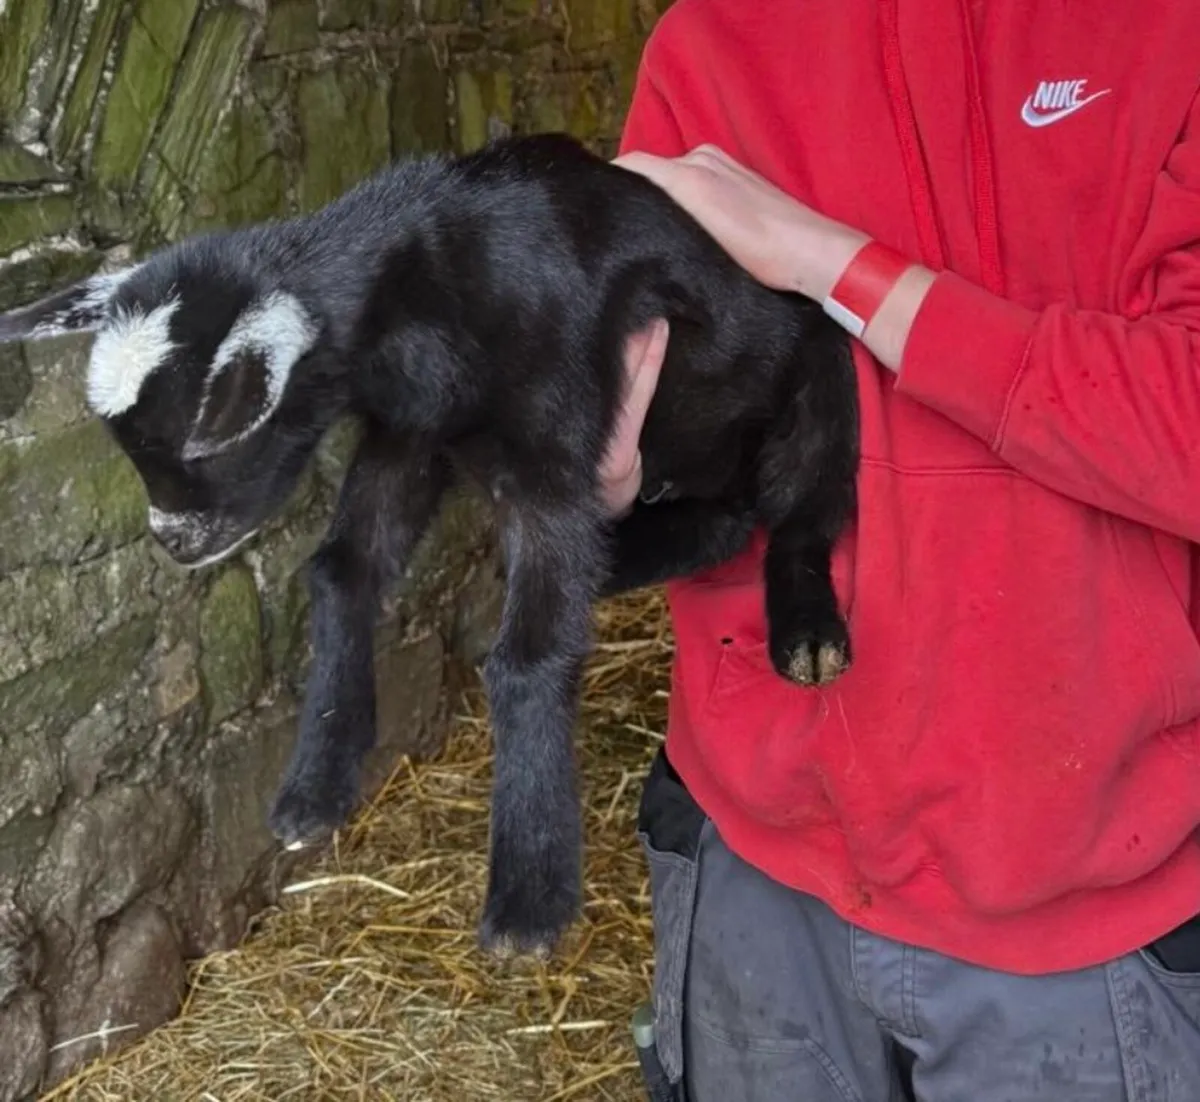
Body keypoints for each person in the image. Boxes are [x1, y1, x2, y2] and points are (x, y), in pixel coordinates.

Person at [596, 2, 1200, 1099]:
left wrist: (839, 267)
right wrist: (605, 480)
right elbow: (663, 419)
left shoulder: (1166, 37)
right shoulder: (711, 42)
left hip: (1072, 889)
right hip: (761, 861)